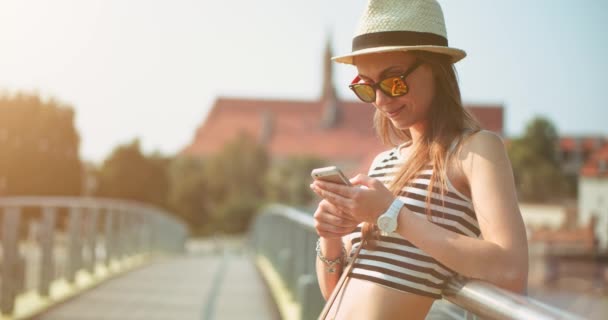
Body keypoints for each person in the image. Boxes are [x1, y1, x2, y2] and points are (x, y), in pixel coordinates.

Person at [310, 0, 529, 319]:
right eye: (367, 87)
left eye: (394, 81)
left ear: (437, 71)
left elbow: (511, 268)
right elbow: (335, 294)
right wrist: (330, 238)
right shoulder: (382, 164)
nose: (381, 100)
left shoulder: (475, 150)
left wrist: (391, 213)